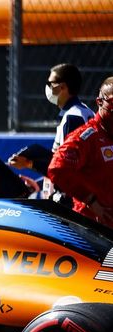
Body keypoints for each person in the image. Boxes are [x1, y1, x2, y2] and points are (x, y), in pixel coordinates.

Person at [8, 63, 95, 203]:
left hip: (74, 202)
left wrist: (29, 164)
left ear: (63, 87)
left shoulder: (73, 117)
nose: (47, 87)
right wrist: (40, 185)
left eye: (50, 83)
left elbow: (66, 168)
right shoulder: (83, 111)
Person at [48, 76, 113, 228]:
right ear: (100, 102)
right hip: (93, 231)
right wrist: (90, 200)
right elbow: (57, 168)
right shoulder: (87, 137)